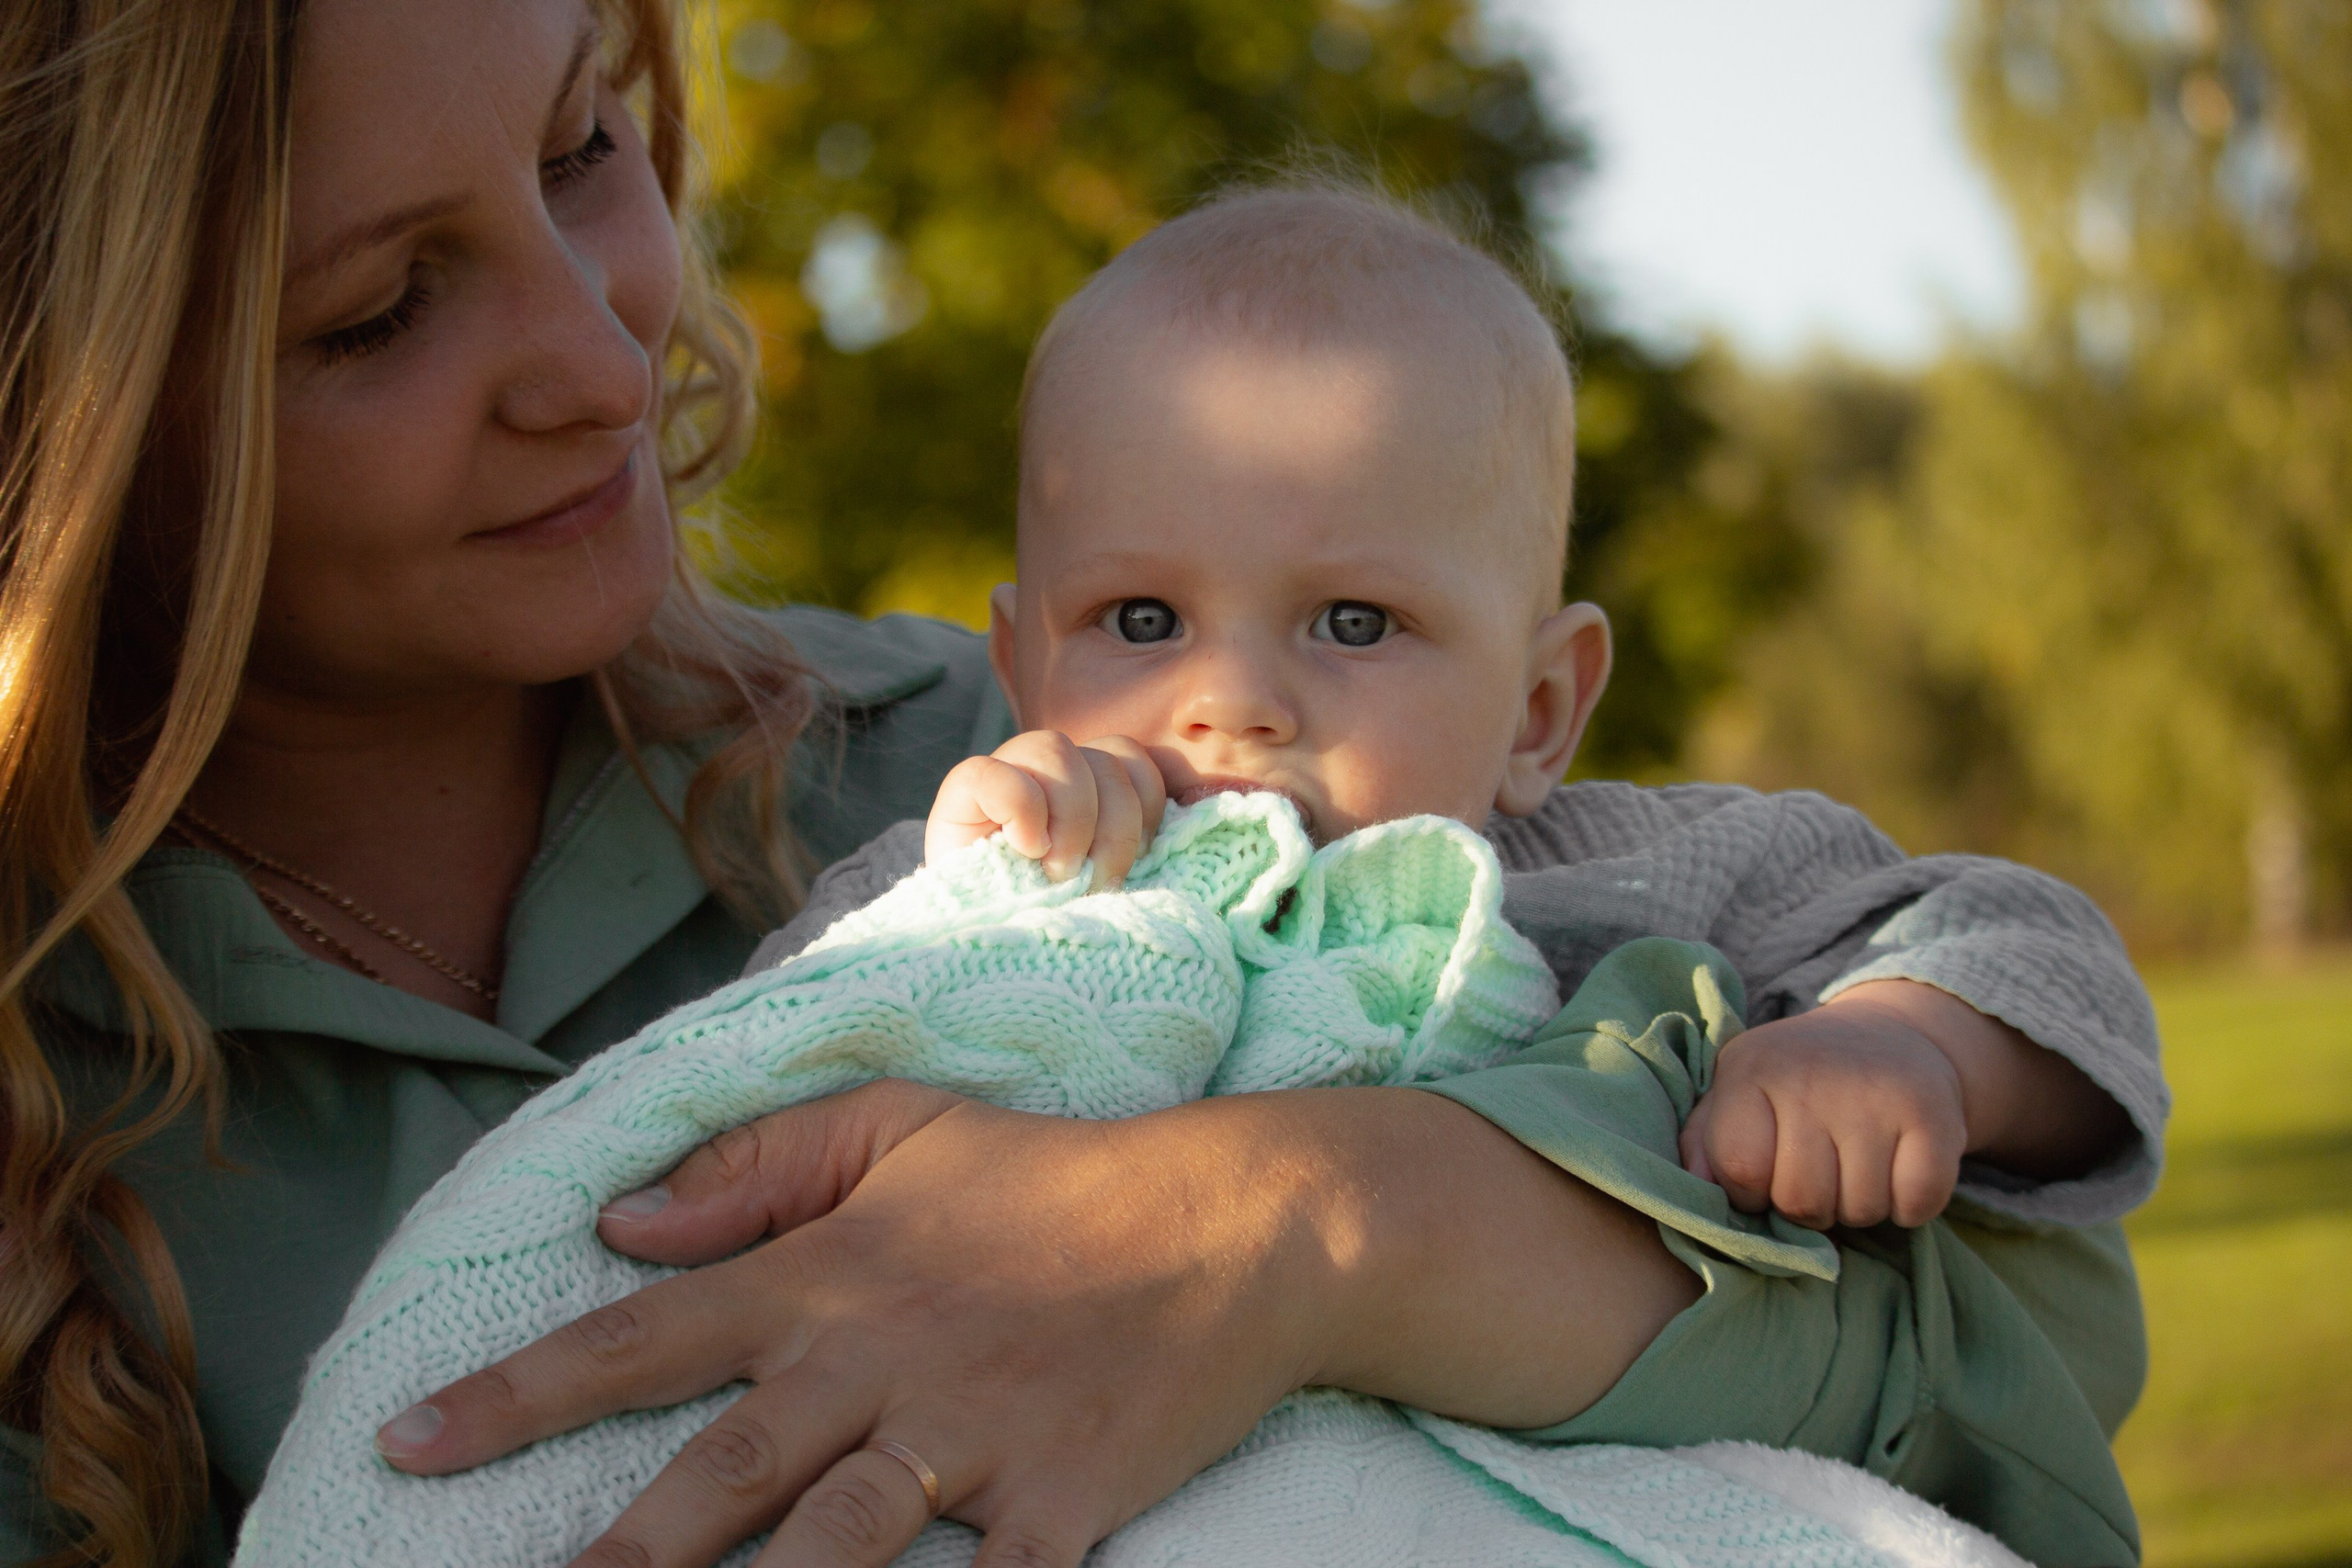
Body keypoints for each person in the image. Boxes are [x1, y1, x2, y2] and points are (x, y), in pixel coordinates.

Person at [0, 5, 2160, 1568]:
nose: (598, 356)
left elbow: (2019, 1334)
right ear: (73, 420)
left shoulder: (967, 758)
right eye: (378, 310)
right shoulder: (980, 848)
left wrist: (1313, 1225)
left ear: (1544, 694)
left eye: (584, 151)